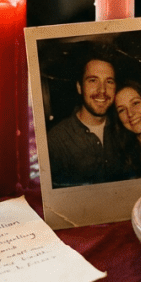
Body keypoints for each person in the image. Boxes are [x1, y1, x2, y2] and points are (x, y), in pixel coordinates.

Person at [47, 48, 127, 187]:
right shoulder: (56, 141)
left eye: (109, 81)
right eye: (93, 80)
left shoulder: (125, 129)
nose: (102, 90)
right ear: (79, 87)